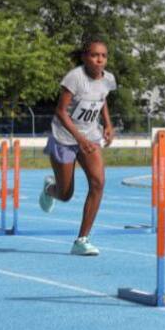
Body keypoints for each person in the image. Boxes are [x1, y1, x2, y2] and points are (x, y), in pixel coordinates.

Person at [39, 38, 116, 255]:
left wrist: (108, 125)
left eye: (103, 55)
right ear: (84, 57)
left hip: (90, 136)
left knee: (98, 183)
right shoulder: (74, 78)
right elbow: (61, 112)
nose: (99, 59)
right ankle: (49, 188)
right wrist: (79, 139)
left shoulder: (108, 79)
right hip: (64, 137)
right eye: (94, 55)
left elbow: (102, 99)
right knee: (65, 194)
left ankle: (82, 240)